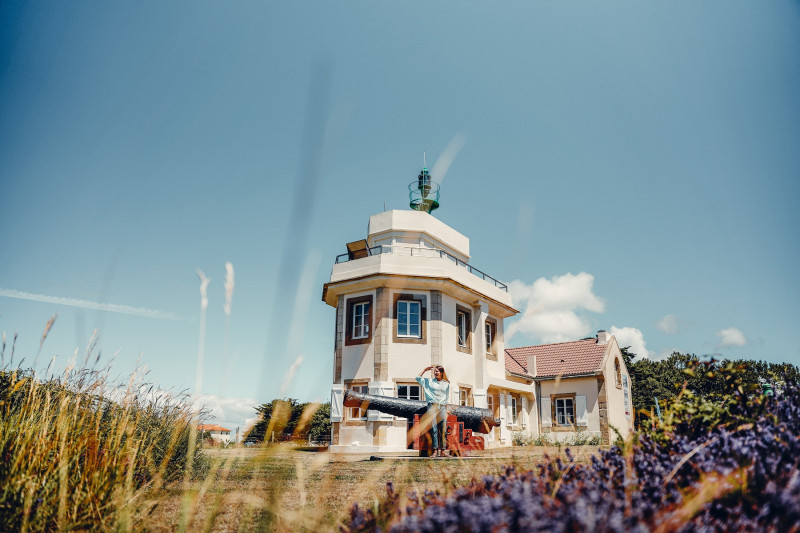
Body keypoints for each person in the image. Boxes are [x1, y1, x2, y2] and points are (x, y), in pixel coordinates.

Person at [416, 365, 450, 457]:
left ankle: (443, 451)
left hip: (442, 407)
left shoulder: (446, 384)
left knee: (443, 430)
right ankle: (435, 451)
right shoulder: (429, 382)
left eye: (437, 371)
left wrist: (446, 409)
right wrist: (424, 370)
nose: (435, 373)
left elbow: (446, 397)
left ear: (441, 373)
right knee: (434, 429)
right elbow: (417, 378)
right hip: (432, 406)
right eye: (434, 371)